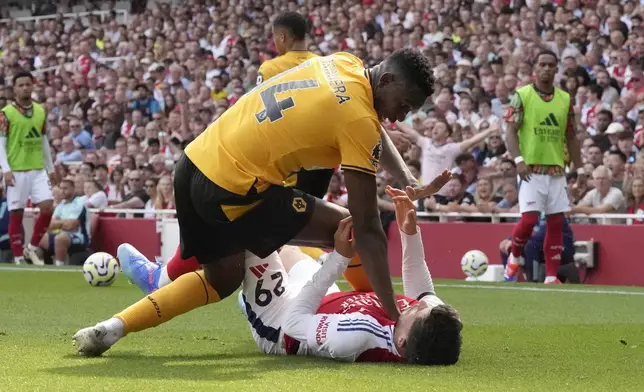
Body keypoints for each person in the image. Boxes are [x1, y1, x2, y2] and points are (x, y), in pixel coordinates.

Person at [72, 46, 438, 353]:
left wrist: (406, 178)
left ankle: (113, 327)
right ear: (387, 81)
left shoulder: (345, 63)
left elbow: (371, 123)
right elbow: (369, 225)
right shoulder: (357, 118)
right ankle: (381, 313)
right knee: (350, 229)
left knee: (224, 275)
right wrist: (395, 313)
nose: (402, 116)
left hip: (194, 163)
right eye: (404, 104)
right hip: (234, 189)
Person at [73, 180, 462, 365]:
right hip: (319, 296)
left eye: (411, 312)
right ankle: (183, 279)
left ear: (405, 343)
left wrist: (339, 260)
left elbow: (295, 323)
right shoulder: (426, 321)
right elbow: (421, 288)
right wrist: (411, 232)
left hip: (280, 322)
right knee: (323, 233)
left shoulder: (356, 338)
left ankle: (128, 315)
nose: (409, 304)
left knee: (242, 239)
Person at [124, 12, 340, 294]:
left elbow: (262, 117)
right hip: (311, 168)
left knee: (225, 243)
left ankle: (160, 280)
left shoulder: (273, 68)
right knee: (252, 247)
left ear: (282, 37)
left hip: (269, 174)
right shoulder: (323, 68)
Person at [504, 50, 584, 284]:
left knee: (556, 223)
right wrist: (518, 160)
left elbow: (571, 136)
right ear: (535, 68)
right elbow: (510, 131)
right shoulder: (522, 95)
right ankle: (515, 255)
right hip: (530, 169)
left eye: (551, 64)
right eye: (543, 64)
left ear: (556, 68)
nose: (547, 68)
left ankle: (551, 277)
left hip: (557, 170)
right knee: (529, 220)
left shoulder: (565, 99)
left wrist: (580, 168)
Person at [0, 71, 56, 265]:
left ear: (33, 86)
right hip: (16, 170)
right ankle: (18, 257)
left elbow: (44, 141)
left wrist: (51, 167)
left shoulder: (40, 111)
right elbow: (1, 143)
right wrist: (5, 169)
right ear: (14, 88)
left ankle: (31, 248)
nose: (25, 88)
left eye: (28, 84)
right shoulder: (6, 113)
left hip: (38, 169)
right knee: (17, 212)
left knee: (48, 207)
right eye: (21, 85)